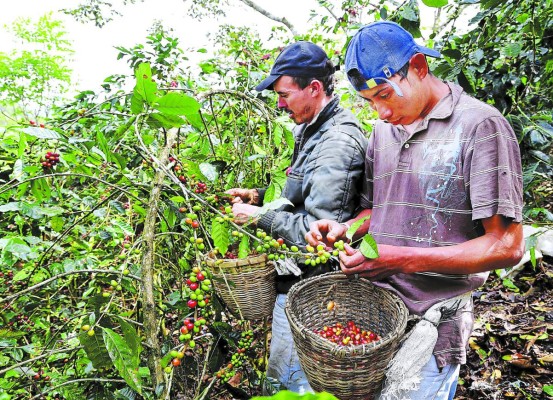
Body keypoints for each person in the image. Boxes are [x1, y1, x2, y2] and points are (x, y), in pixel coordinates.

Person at [305, 21, 524, 400]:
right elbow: (377, 209)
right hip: (373, 318)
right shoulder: (382, 134)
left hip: (432, 326)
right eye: (369, 102)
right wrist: (346, 229)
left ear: (419, 67)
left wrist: (402, 259)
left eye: (385, 95)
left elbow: (506, 245)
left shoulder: (481, 127)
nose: (380, 112)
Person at [227, 41, 368, 393]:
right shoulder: (313, 128)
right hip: (298, 283)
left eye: (285, 95)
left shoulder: (336, 142)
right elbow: (301, 194)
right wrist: (259, 196)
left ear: (314, 89)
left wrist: (259, 216)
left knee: (289, 384)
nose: (279, 104)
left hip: (312, 289)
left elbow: (317, 237)